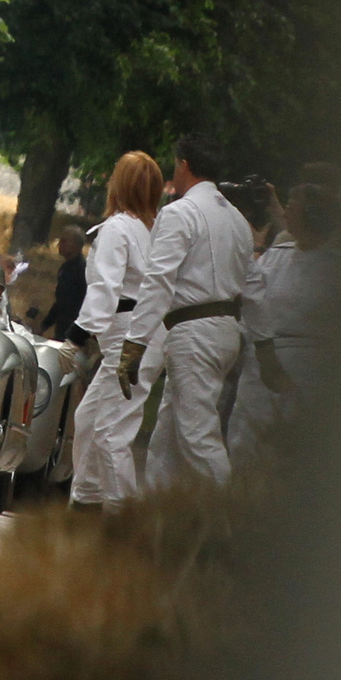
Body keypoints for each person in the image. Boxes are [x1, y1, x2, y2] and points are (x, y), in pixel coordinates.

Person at [117, 133, 252, 487]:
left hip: (195, 332)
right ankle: (162, 527)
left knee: (197, 437)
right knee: (167, 440)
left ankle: (229, 520)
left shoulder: (181, 212)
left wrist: (135, 343)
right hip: (223, 330)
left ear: (184, 165)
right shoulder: (238, 220)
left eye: (175, 164)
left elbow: (158, 282)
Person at [69, 151, 163, 510]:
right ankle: (87, 498)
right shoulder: (150, 231)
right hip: (142, 334)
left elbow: (105, 290)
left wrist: (75, 337)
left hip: (128, 336)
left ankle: (118, 513)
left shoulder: (117, 229)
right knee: (90, 419)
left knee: (109, 431)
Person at [229, 180, 341, 460]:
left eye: (294, 207)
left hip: (305, 365)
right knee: (244, 444)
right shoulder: (278, 256)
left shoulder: (336, 266)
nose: (286, 213)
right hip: (261, 360)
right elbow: (251, 295)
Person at [41, 226, 89, 339]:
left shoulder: (82, 270)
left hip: (73, 328)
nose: (59, 245)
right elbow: (61, 301)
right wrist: (45, 325)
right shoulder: (66, 268)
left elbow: (75, 302)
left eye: (64, 241)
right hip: (63, 325)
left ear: (75, 245)